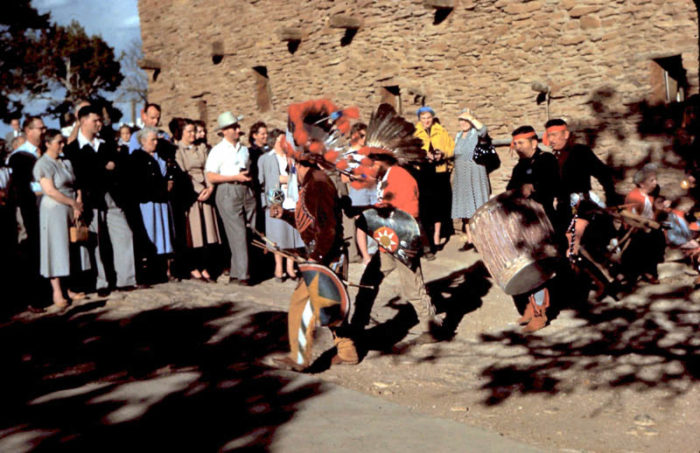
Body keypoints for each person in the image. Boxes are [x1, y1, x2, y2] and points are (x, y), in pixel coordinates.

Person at [64, 105, 137, 296]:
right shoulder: (72, 149)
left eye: (100, 120)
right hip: (91, 200)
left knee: (124, 234)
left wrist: (108, 167)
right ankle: (101, 282)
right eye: (95, 120)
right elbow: (81, 174)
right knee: (96, 243)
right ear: (82, 121)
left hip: (113, 197)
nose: (99, 124)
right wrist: (105, 167)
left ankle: (126, 279)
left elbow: (118, 166)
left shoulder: (106, 144)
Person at [506, 126, 561, 332]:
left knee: (537, 268)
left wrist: (534, 187)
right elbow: (510, 188)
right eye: (515, 143)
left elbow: (553, 185)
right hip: (523, 222)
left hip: (542, 220)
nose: (517, 147)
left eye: (520, 143)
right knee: (525, 265)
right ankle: (530, 306)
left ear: (534, 142)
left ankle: (540, 313)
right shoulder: (520, 166)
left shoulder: (547, 160)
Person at [34, 130, 90, 307]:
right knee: (55, 247)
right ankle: (57, 291)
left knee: (70, 247)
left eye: (63, 142)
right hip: (54, 208)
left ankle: (69, 287)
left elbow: (76, 184)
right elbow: (49, 190)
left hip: (71, 206)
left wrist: (78, 202)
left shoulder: (65, 162)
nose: (62, 145)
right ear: (48, 143)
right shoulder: (43, 164)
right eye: (59, 142)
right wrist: (72, 203)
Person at [205, 111, 256, 286]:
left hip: (245, 190)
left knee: (251, 230)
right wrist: (233, 177)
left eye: (237, 126)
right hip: (228, 191)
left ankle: (238, 271)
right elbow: (211, 176)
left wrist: (244, 177)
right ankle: (243, 275)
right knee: (237, 233)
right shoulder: (217, 151)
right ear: (224, 131)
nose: (237, 130)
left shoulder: (244, 150)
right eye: (233, 127)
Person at [543, 118, 618, 231]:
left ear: (566, 134)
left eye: (554, 135)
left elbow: (604, 174)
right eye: (549, 136)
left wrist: (611, 201)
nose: (551, 139)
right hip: (563, 209)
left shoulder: (581, 152)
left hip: (582, 207)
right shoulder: (552, 159)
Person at [175, 119, 221, 281]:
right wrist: (199, 190)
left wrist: (210, 188)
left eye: (194, 131)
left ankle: (204, 266)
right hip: (191, 193)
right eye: (189, 131)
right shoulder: (178, 150)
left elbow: (208, 168)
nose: (193, 134)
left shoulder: (201, 148)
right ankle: (193, 266)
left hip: (206, 190)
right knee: (194, 233)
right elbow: (183, 173)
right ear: (182, 133)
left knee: (207, 231)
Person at [129, 127, 176, 280]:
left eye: (157, 140)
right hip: (148, 202)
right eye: (152, 140)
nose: (155, 143)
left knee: (165, 234)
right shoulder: (137, 158)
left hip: (162, 202)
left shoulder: (161, 156)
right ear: (143, 141)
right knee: (151, 233)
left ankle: (166, 270)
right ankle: (150, 271)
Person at [258, 128, 303, 281]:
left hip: (292, 198)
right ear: (275, 141)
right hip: (275, 197)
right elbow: (263, 180)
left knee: (292, 233)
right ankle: (279, 267)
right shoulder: (266, 158)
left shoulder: (291, 157)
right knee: (277, 234)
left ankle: (291, 267)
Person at [413, 106, 455, 251]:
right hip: (423, 173)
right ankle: (428, 236)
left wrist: (442, 154)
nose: (426, 121)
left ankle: (437, 235)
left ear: (433, 118)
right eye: (423, 118)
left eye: (428, 118)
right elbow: (411, 152)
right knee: (425, 205)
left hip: (439, 172)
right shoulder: (415, 133)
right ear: (419, 119)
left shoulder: (441, 132)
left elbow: (452, 149)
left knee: (439, 205)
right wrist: (424, 155)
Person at [621, 163, 666, 284]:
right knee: (650, 238)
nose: (655, 183)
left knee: (658, 234)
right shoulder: (634, 196)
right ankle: (644, 272)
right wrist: (643, 226)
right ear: (641, 183)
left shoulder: (650, 197)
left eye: (655, 179)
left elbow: (653, 217)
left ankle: (650, 270)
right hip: (636, 230)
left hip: (648, 227)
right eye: (652, 180)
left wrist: (658, 210)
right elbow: (628, 218)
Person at [451, 108, 490, 239]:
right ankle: (470, 237)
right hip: (461, 174)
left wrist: (471, 117)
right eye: (461, 119)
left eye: (466, 119)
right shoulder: (458, 135)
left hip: (475, 173)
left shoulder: (476, 133)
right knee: (464, 205)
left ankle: (482, 235)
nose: (464, 122)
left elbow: (484, 130)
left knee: (478, 204)